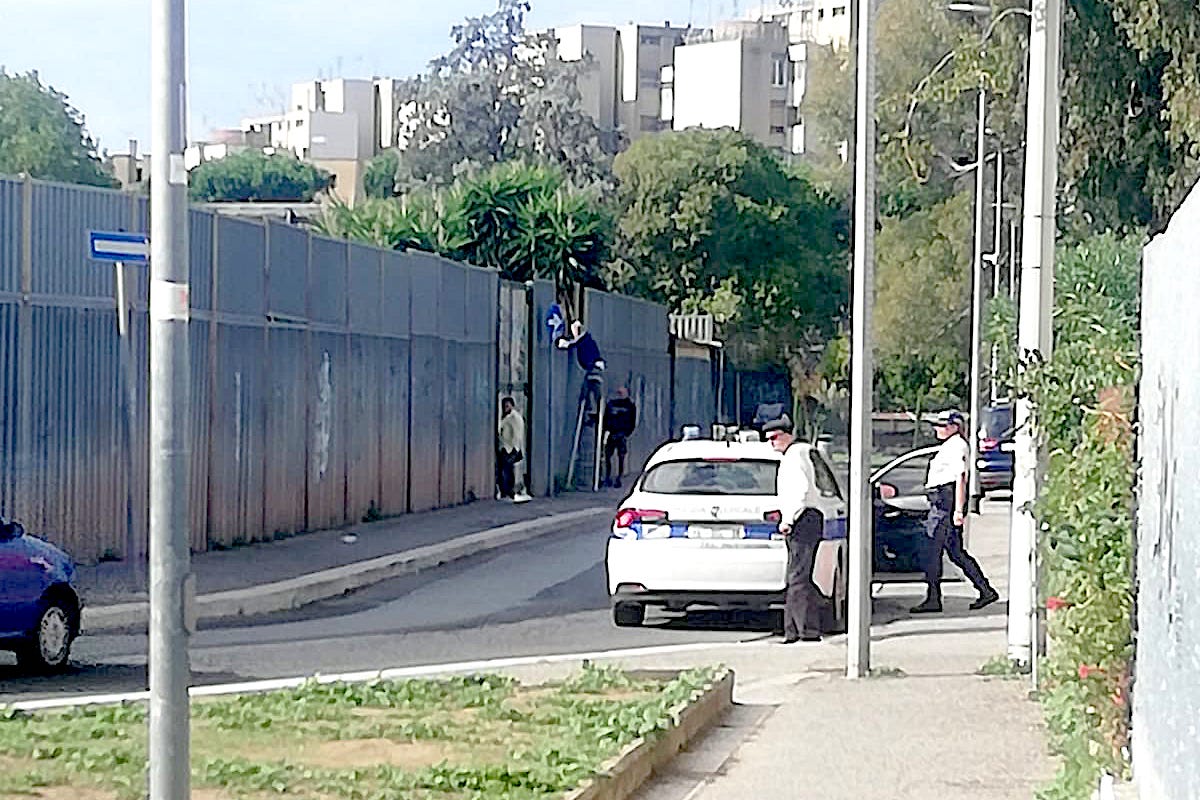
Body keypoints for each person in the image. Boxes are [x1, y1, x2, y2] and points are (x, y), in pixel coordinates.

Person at [911, 410, 1000, 614]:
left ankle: (933, 598)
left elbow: (961, 478)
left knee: (931, 551)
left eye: (941, 425)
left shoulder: (957, 445)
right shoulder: (949, 446)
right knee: (955, 552)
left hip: (945, 504)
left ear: (953, 427)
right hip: (942, 503)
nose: (937, 429)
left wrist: (958, 510)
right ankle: (985, 590)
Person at [764, 415, 825, 643]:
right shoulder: (792, 455)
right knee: (796, 578)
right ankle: (793, 630)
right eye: (768, 439)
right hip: (803, 518)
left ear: (787, 435)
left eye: (775, 437)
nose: (772, 442)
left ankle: (806, 631)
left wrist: (789, 519)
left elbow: (800, 491)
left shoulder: (796, 455)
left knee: (798, 578)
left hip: (803, 519)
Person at [557, 320, 606, 418]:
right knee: (589, 391)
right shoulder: (586, 340)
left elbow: (572, 344)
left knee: (591, 391)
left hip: (593, 371)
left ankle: (594, 409)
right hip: (592, 371)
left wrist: (564, 343)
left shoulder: (584, 339)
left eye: (574, 330)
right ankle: (591, 408)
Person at [497, 397, 531, 504]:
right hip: (505, 447)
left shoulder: (515, 417)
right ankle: (506, 491)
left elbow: (518, 434)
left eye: (507, 405)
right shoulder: (507, 417)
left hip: (510, 448)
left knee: (507, 470)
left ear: (512, 405)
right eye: (504, 406)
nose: (505, 408)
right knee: (505, 470)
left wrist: (515, 449)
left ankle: (509, 491)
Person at [603, 387, 637, 488]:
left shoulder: (630, 405)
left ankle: (619, 478)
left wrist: (626, 433)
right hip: (611, 433)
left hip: (621, 434)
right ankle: (607, 477)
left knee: (621, 457)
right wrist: (606, 430)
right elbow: (606, 418)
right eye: (619, 393)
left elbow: (632, 421)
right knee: (608, 455)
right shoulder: (611, 404)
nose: (620, 394)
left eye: (622, 393)